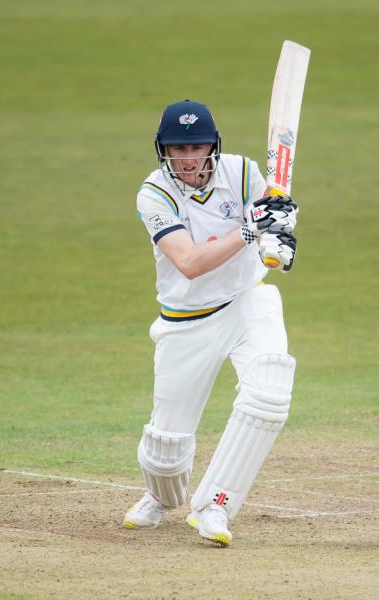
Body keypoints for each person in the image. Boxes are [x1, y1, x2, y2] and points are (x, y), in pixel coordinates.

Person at [123, 99, 298, 546]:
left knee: (270, 391)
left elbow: (273, 229)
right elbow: (189, 262)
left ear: (213, 146)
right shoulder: (153, 193)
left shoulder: (243, 173)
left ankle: (216, 505)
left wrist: (279, 241)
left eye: (196, 147)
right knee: (165, 452)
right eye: (176, 149)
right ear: (162, 149)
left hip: (245, 302)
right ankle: (160, 497)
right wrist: (249, 230)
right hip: (186, 319)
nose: (187, 158)